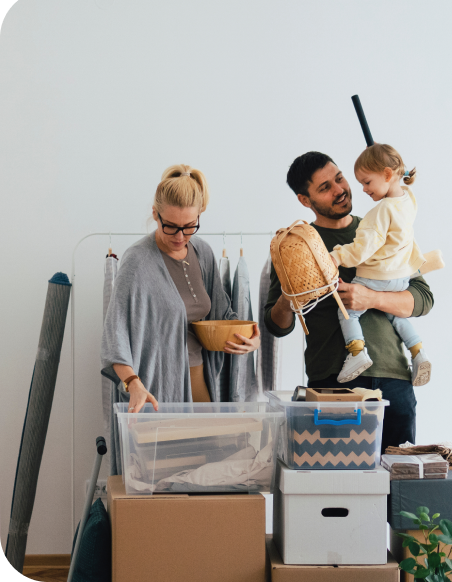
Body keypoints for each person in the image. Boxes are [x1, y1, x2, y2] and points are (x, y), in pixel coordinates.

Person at [264, 152, 434, 452]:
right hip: (331, 380)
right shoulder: (295, 245)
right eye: (325, 187)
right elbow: (276, 326)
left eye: (339, 178)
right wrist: (290, 297)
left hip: (392, 377)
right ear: (306, 200)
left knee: (397, 486)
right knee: (334, 485)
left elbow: (422, 298)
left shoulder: (383, 223)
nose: (339, 189)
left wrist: (371, 298)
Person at [101, 164, 260, 473]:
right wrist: (132, 382)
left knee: (206, 468)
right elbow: (114, 332)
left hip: (201, 379)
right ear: (155, 214)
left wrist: (249, 337)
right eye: (170, 226)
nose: (180, 235)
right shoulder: (138, 260)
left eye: (190, 226)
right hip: (155, 389)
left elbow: (222, 314)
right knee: (159, 474)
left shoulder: (203, 252)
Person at [329, 143, 431, 386]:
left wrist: (337, 256)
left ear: (387, 174)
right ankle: (417, 352)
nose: (363, 189)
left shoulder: (380, 212)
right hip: (401, 277)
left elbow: (361, 250)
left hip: (377, 275)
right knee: (395, 316)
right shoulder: (409, 200)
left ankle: (356, 353)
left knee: (348, 313)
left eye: (366, 182)